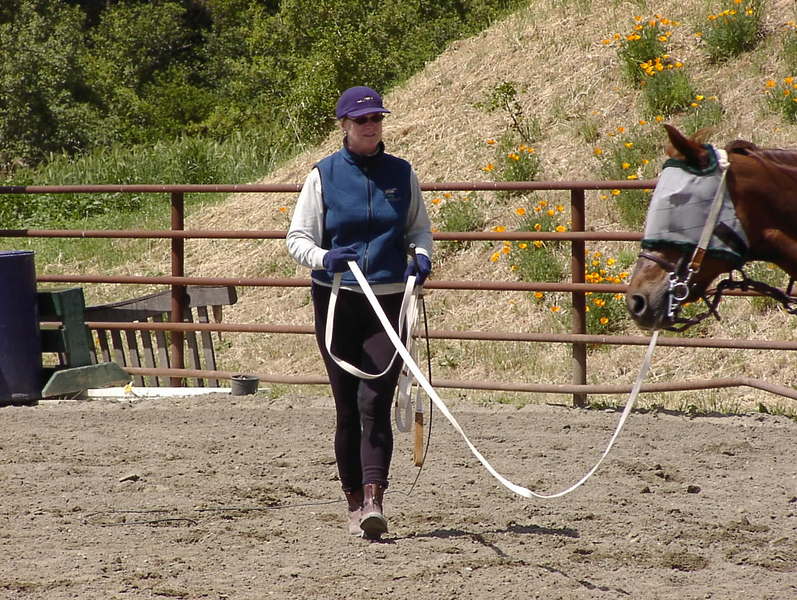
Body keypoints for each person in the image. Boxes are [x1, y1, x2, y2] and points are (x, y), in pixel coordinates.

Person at [286, 86, 433, 539]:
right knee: (347, 405)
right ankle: (352, 498)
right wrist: (324, 257)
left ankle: (374, 499)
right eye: (362, 120)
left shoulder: (401, 174)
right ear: (345, 125)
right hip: (338, 301)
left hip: (388, 300)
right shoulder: (323, 176)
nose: (371, 126)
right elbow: (297, 238)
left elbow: (418, 229)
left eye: (377, 119)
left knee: (375, 400)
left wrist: (422, 256)